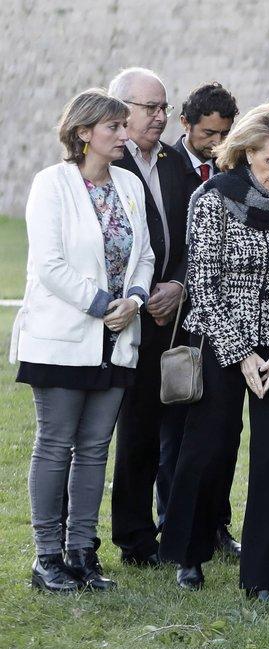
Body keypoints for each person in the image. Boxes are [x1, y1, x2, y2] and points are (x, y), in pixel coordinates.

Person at [158, 102, 269, 603]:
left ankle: (263, 579)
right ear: (246, 152)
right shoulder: (211, 199)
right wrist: (242, 353)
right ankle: (188, 553)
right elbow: (203, 286)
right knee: (209, 449)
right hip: (222, 343)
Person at [15, 89, 155, 592]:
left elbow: (144, 254)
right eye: (114, 127)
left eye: (124, 126)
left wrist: (134, 300)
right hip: (64, 336)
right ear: (83, 133)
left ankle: (81, 553)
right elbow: (48, 265)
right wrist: (102, 306)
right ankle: (46, 558)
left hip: (118, 337)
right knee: (55, 445)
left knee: (95, 449)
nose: (125, 134)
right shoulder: (51, 184)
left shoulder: (129, 185)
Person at [106, 67, 194, 567]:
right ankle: (135, 540)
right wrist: (141, 295)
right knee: (135, 433)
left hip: (174, 314)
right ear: (121, 111)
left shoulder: (173, 164)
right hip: (127, 317)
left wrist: (178, 285)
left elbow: (189, 236)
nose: (161, 117)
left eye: (163, 108)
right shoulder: (111, 165)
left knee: (179, 428)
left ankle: (179, 532)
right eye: (149, 108)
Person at [169, 80, 243, 559]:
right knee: (175, 429)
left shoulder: (240, 170)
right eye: (207, 134)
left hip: (226, 322)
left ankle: (217, 524)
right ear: (186, 125)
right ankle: (171, 523)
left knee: (225, 433)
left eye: (224, 133)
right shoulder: (166, 168)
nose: (216, 143)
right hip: (174, 318)